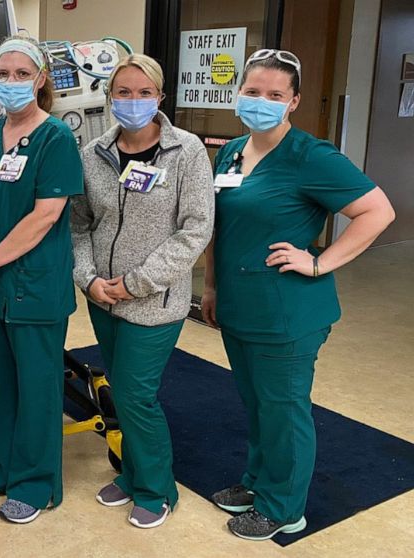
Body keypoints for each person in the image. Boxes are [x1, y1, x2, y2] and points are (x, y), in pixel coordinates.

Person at [202, 49, 395, 541]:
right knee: (256, 401)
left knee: (284, 409)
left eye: (274, 95)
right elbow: (223, 228)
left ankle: (284, 508)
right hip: (239, 301)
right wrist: (211, 285)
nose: (260, 102)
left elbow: (378, 212)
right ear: (237, 93)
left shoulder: (312, 156)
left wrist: (318, 261)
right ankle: (257, 484)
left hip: (286, 310)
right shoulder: (232, 152)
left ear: (293, 103)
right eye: (252, 92)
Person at [70, 54, 214, 529]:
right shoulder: (93, 155)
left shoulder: (187, 151)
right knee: (122, 386)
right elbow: (79, 224)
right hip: (103, 296)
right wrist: (89, 279)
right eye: (123, 93)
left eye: (143, 92)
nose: (133, 102)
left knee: (135, 394)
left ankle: (157, 489)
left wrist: (137, 283)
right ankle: (132, 475)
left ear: (160, 97)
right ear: (110, 98)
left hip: (155, 299)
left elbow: (195, 230)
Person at [0, 37, 83, 525]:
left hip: (32, 285)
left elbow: (46, 215)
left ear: (41, 79)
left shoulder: (55, 139)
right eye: (2, 74)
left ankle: (34, 483)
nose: (9, 83)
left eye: (20, 74)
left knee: (37, 388)